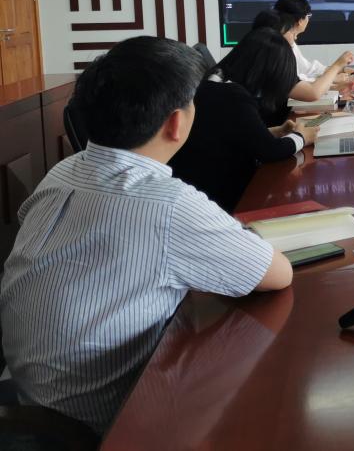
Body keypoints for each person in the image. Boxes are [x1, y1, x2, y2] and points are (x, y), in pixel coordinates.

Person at [0, 37, 291, 436]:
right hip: (105, 421)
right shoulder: (167, 204)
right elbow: (277, 273)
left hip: (30, 396)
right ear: (176, 122)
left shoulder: (62, 172)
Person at [169, 27, 319, 211]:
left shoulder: (214, 83)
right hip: (219, 196)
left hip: (198, 185)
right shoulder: (233, 97)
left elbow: (230, 133)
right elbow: (270, 151)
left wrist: (275, 132)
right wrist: (302, 137)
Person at [270, 0, 353, 101]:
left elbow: (307, 69)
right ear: (300, 20)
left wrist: (338, 71)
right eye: (308, 16)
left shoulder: (283, 39)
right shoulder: (278, 45)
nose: (294, 39)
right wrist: (333, 75)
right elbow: (301, 85)